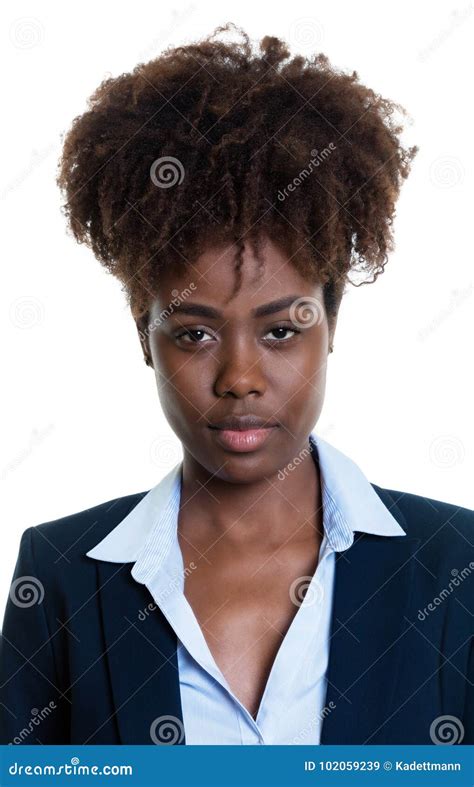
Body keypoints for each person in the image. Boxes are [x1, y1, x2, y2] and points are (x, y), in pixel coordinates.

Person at [1, 23, 472, 746]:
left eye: (281, 329)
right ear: (144, 337)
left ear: (332, 323)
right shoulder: (61, 574)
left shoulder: (454, 563)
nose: (240, 378)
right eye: (194, 332)